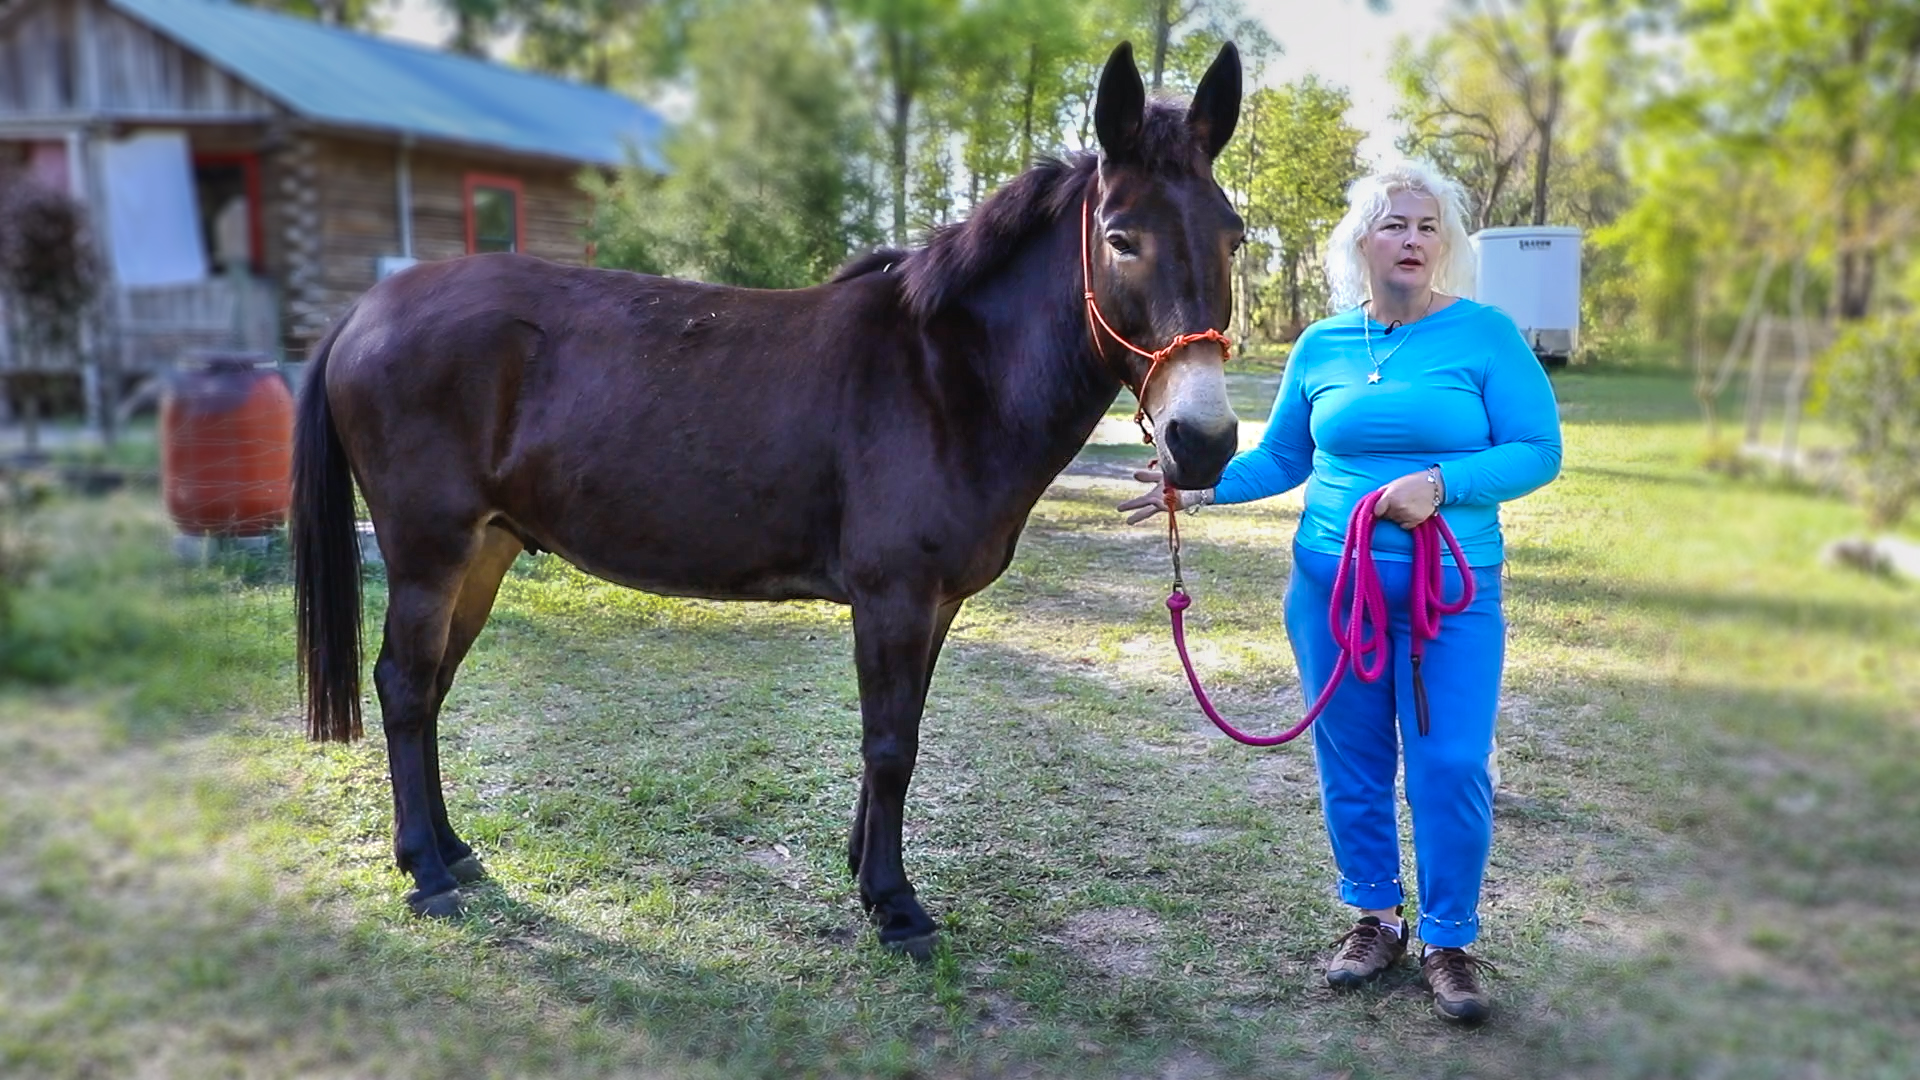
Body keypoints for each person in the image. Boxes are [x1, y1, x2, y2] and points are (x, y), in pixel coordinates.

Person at [1118, 160, 1562, 1025]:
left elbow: (1537, 450)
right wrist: (1197, 489)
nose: (1414, 239)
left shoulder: (1486, 336)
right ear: (1362, 240)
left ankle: (1449, 938)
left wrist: (1441, 482)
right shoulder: (1322, 346)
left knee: (1451, 765)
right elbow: (1287, 459)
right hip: (1332, 593)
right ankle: (1375, 918)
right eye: (1396, 223)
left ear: (1446, 245)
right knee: (1351, 762)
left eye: (1429, 226)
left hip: (1450, 596)